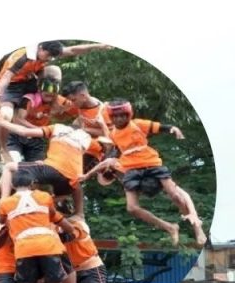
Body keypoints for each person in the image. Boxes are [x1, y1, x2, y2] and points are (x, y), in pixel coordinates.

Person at [84, 99, 207, 246]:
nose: (118, 119)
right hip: (139, 177)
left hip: (151, 166)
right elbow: (108, 148)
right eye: (115, 117)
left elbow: (158, 127)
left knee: (177, 196)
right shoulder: (119, 165)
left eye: (122, 116)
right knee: (132, 208)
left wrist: (172, 129)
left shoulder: (135, 127)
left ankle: (196, 227)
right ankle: (169, 226)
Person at [0, 41, 111, 161]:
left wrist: (98, 45)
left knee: (54, 70)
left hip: (31, 81)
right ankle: (4, 149)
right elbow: (6, 77)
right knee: (5, 116)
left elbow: (73, 50)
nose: (48, 59)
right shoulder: (23, 57)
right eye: (47, 56)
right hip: (12, 86)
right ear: (40, 48)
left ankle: (52, 99)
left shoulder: (50, 51)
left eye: (51, 57)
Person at [0, 168, 76, 283]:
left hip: (24, 249)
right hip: (48, 245)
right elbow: (55, 217)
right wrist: (72, 231)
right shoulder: (44, 197)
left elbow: (1, 220)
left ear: (12, 184)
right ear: (32, 184)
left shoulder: (6, 203)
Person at [0, 111, 91, 219]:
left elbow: (25, 132)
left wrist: (2, 122)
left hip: (53, 169)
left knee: (9, 167)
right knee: (71, 189)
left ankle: (4, 205)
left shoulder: (58, 127)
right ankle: (78, 213)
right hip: (70, 180)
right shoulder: (87, 138)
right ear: (82, 127)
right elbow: (70, 157)